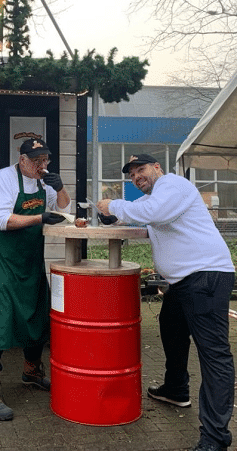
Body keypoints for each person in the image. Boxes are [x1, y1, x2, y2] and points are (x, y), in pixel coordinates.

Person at [97, 154, 235, 451]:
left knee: (214, 356)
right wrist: (113, 218)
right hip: (185, 280)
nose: (137, 177)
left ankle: (215, 438)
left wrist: (113, 205)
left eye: (141, 170)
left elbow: (154, 212)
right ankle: (175, 388)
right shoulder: (161, 197)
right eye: (132, 174)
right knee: (171, 327)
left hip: (205, 277)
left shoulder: (172, 184)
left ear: (158, 168)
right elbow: (154, 220)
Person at [0, 137, 71, 421]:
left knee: (36, 313)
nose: (43, 166)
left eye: (46, 160)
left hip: (30, 256)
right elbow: (1, 220)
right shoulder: (3, 179)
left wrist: (59, 186)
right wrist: (38, 218)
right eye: (37, 162)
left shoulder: (44, 182)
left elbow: (64, 210)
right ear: (23, 161)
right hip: (3, 257)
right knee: (0, 319)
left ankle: (31, 371)